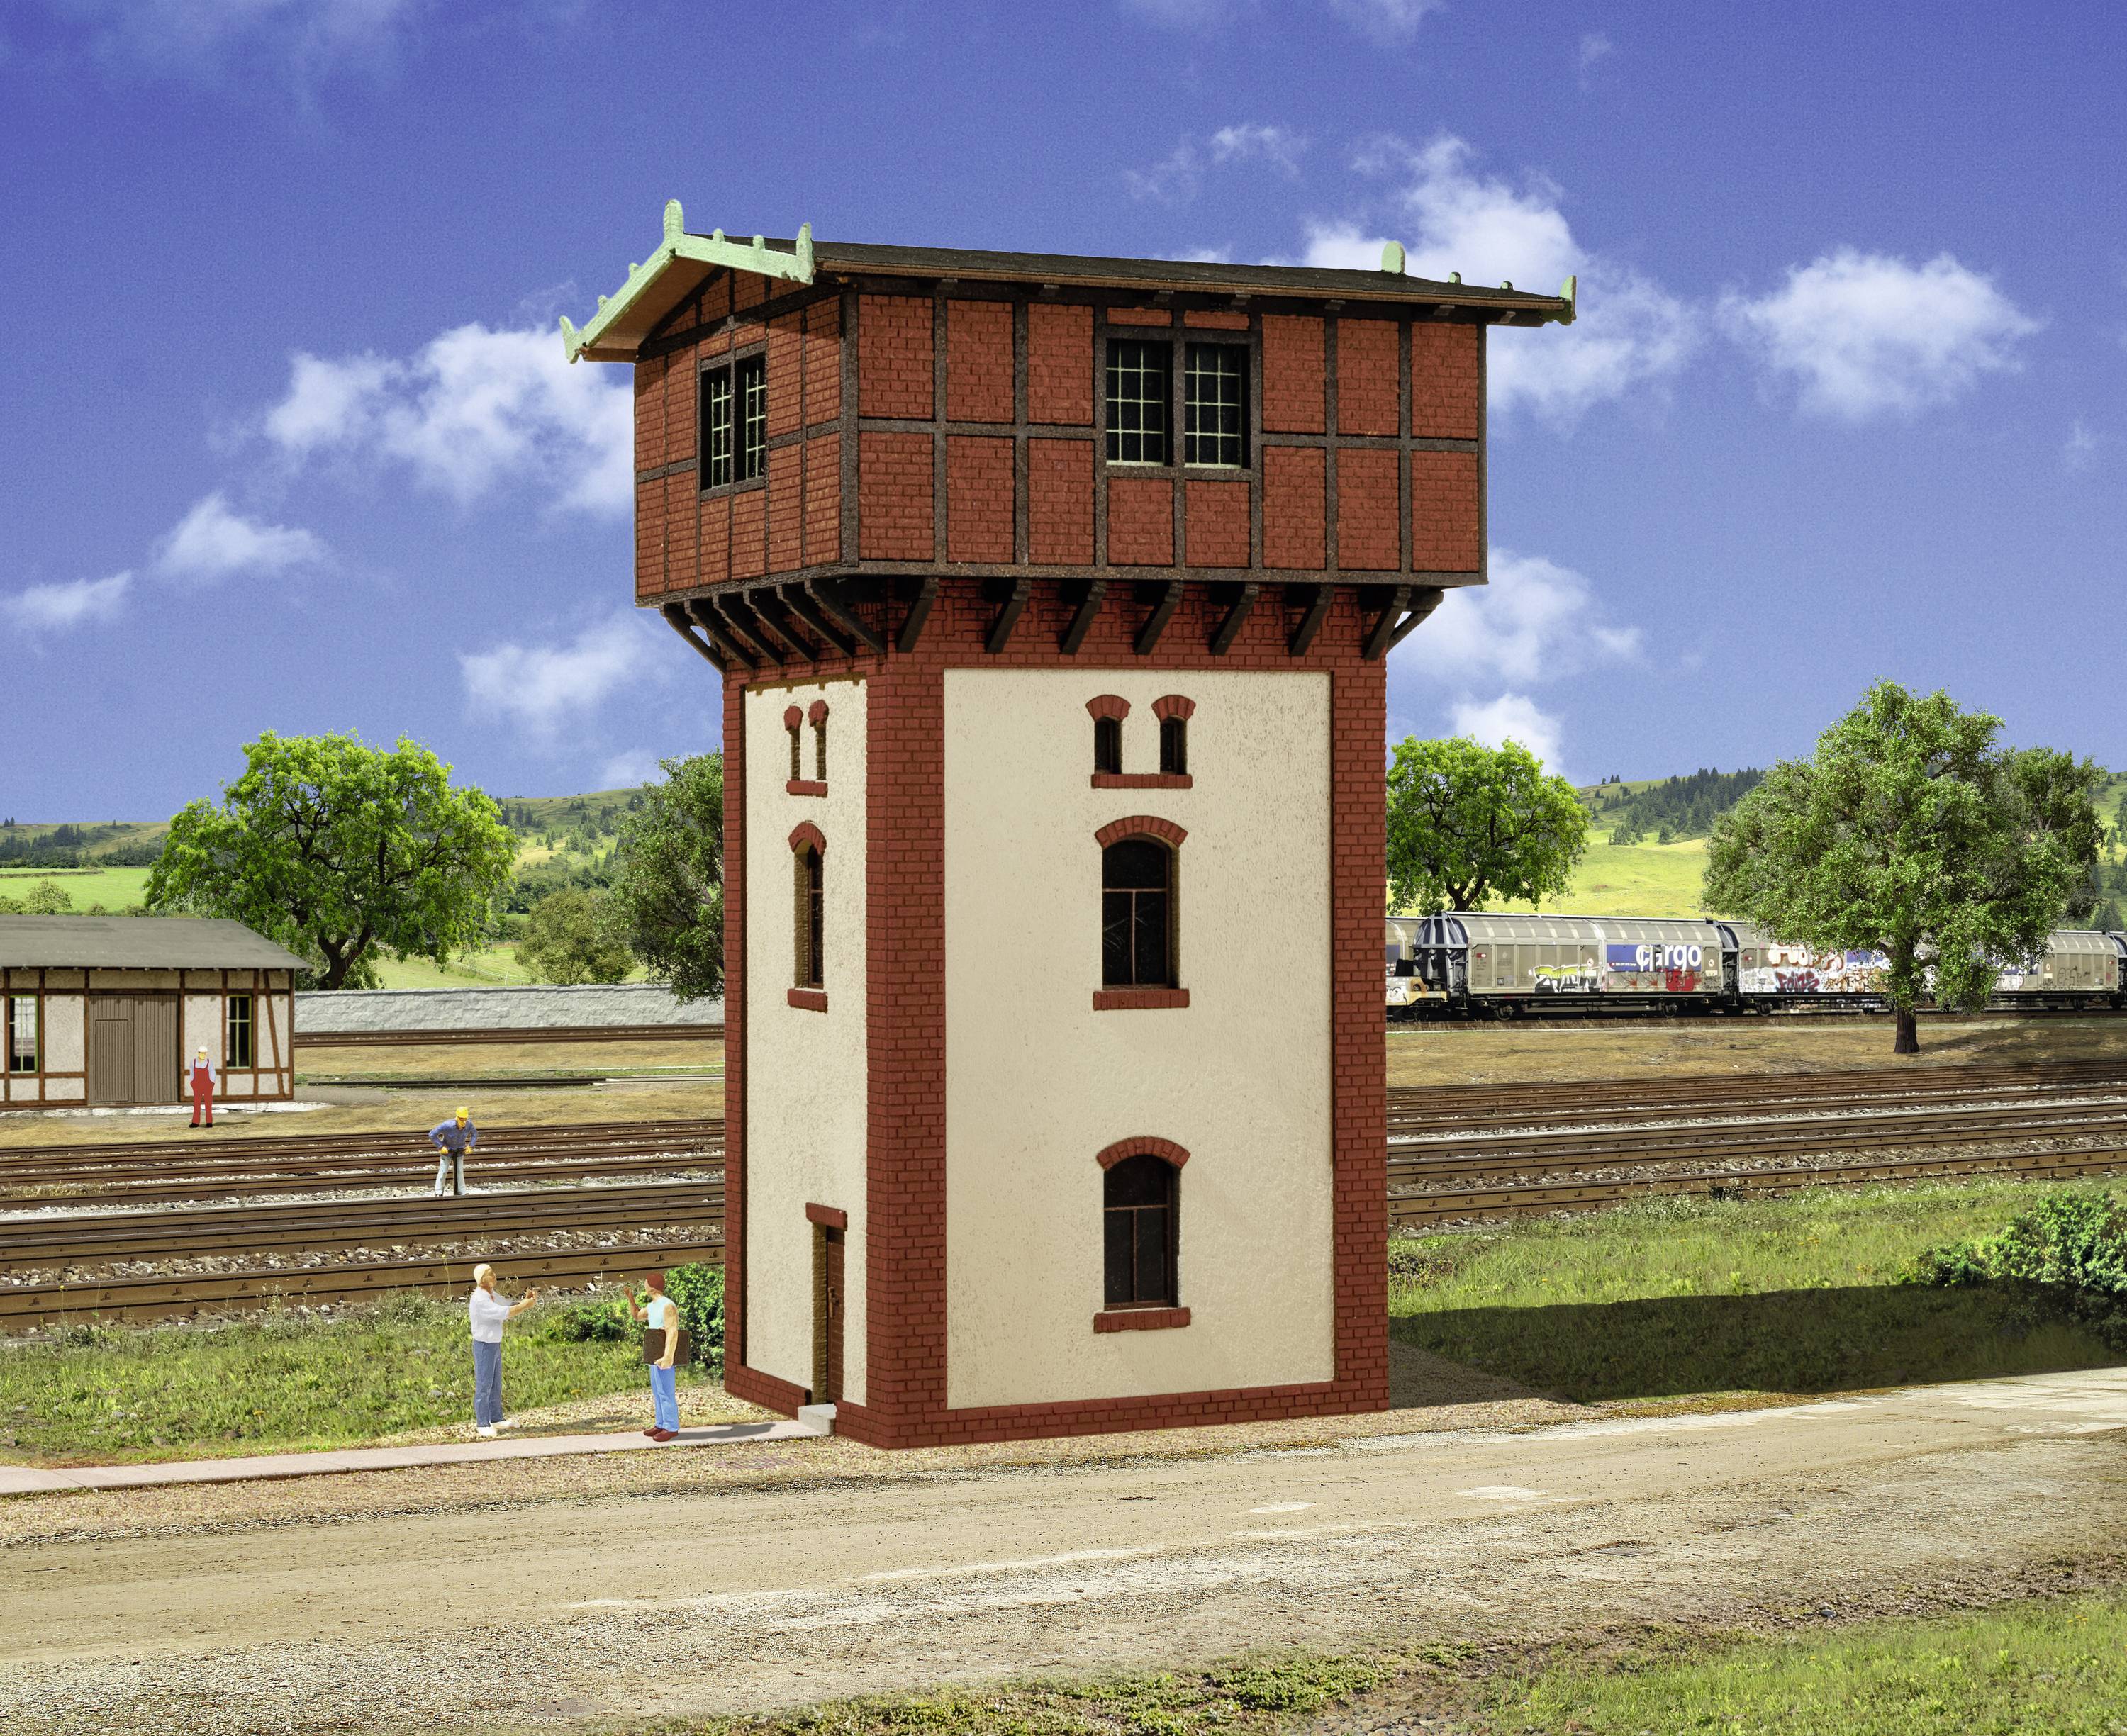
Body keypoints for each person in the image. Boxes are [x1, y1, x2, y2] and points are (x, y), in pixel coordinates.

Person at [467, 1262, 538, 1438]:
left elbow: (506, 1304)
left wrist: (523, 1301)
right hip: (484, 1346)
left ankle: (496, 1418)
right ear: (482, 1279)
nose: (495, 1276)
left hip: (494, 1344)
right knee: (484, 1385)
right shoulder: (480, 1299)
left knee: (495, 1384)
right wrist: (525, 1306)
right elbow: (503, 1313)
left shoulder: (491, 1294)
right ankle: (482, 1423)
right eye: (491, 1274)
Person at [629, 1270, 682, 1441]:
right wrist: (631, 1299)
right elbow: (637, 1316)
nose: (644, 1285)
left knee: (666, 1391)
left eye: (645, 1283)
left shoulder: (668, 1305)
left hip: (664, 1352)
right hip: (654, 1352)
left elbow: (672, 1331)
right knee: (658, 1391)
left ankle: (671, 1427)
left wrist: (669, 1356)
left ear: (652, 1286)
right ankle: (660, 1423)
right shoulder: (652, 1306)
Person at [430, 1107, 479, 1197]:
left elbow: (475, 1134)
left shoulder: (469, 1125)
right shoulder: (447, 1125)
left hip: (460, 1151)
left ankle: (461, 1191)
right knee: (443, 1170)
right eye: (461, 1119)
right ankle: (438, 1191)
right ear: (457, 1117)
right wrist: (441, 1147)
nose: (463, 1122)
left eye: (465, 1119)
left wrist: (471, 1146)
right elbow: (432, 1134)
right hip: (447, 1151)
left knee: (460, 1171)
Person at [184, 1046, 218, 1130]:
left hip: (207, 1085)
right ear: (198, 1053)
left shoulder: (209, 1062)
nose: (203, 1055)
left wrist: (211, 1083)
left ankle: (209, 1122)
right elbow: (191, 1073)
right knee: (197, 1104)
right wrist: (192, 1083)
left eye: (205, 1053)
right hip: (197, 1085)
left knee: (208, 1103)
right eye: (202, 1053)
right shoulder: (193, 1062)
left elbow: (213, 1073)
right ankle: (195, 1122)